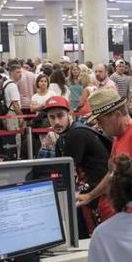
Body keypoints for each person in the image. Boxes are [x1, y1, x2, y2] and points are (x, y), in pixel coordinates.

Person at [76, 88, 132, 208]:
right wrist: (91, 196)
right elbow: (112, 173)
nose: (98, 124)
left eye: (100, 120)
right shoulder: (117, 136)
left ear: (117, 115)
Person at [45, 95, 114, 237]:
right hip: (90, 196)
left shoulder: (76, 134)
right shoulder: (62, 139)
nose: (56, 121)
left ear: (69, 114)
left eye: (60, 116)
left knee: (103, 240)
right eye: (52, 117)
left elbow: (62, 173)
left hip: (101, 196)